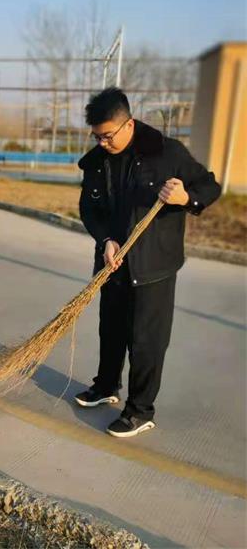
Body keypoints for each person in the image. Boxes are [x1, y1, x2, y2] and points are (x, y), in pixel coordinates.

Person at [74, 87, 221, 438]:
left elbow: (209, 186)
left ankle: (140, 411)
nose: (103, 143)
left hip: (153, 267)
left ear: (128, 124)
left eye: (108, 136)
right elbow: (88, 209)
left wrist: (186, 197)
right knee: (111, 330)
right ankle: (106, 386)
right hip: (113, 263)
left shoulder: (167, 152)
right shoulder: (96, 161)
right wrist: (106, 240)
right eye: (97, 136)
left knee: (145, 341)